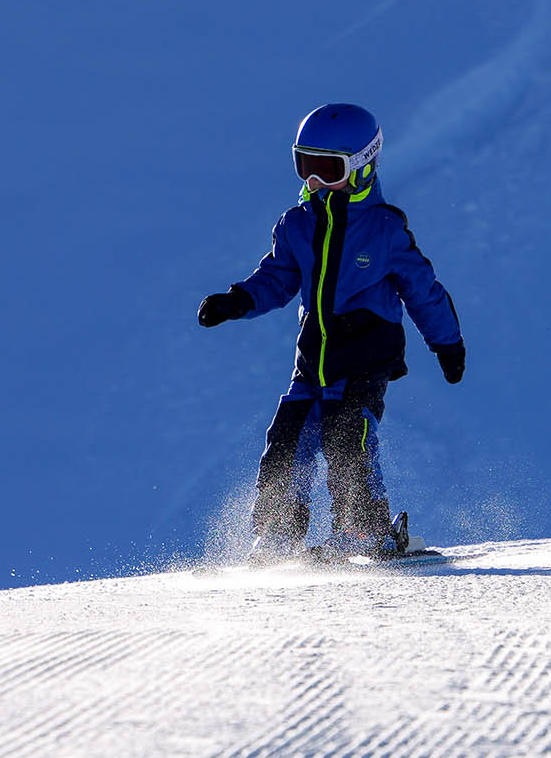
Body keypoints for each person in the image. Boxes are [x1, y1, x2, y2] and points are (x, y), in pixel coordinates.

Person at [197, 103, 465, 562]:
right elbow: (277, 279)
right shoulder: (297, 224)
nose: (314, 181)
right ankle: (277, 534)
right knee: (286, 440)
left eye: (327, 168)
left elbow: (423, 291)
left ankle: (365, 531)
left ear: (362, 166)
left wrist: (447, 344)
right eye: (305, 165)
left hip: (364, 358)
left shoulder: (384, 229)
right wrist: (238, 301)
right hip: (312, 362)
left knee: (347, 437)